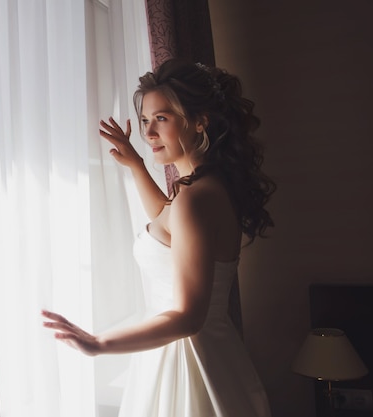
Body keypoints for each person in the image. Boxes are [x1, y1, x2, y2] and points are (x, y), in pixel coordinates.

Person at [42, 58, 275, 416]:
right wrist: (136, 163)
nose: (149, 133)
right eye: (146, 120)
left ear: (200, 121)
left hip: (185, 360)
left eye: (162, 119)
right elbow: (167, 226)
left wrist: (98, 343)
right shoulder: (208, 188)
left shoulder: (194, 200)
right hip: (212, 354)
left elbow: (187, 317)